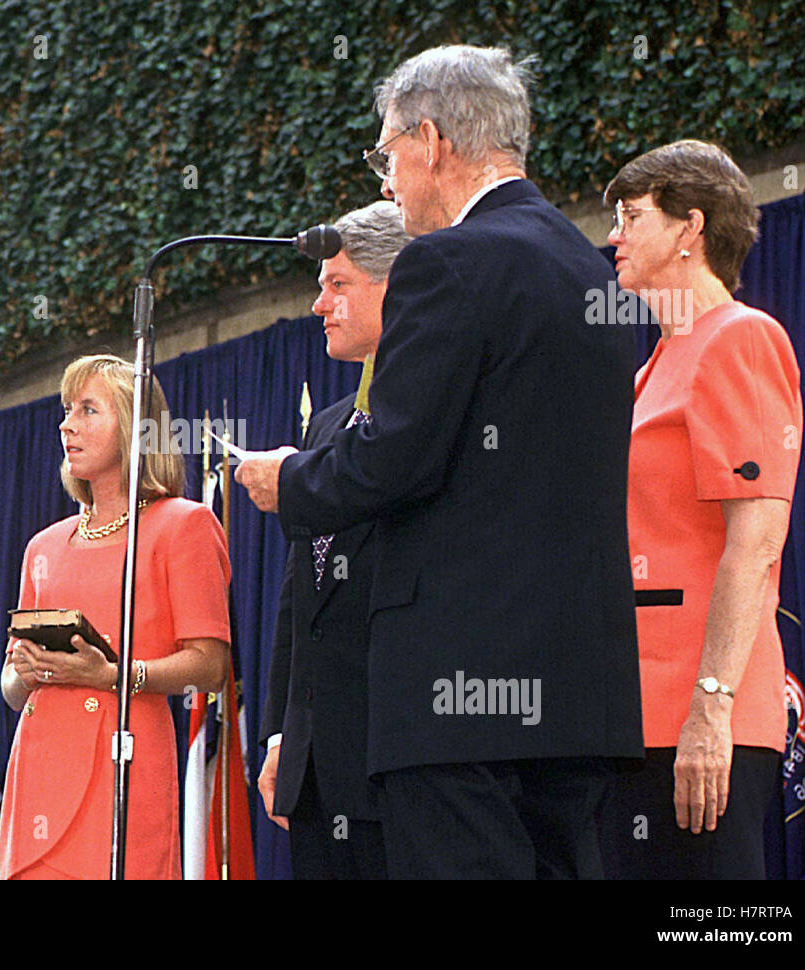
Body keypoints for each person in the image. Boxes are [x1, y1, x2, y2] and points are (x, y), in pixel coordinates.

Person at [236, 44, 644, 878]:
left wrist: (290, 481)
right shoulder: (588, 268)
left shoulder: (447, 260)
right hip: (579, 691)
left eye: (386, 153)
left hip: (457, 699)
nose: (386, 178)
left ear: (430, 140)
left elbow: (394, 457)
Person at [597, 140, 801, 879]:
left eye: (630, 216)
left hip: (703, 717)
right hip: (638, 717)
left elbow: (757, 538)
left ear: (690, 228)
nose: (613, 236)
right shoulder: (653, 361)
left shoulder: (741, 338)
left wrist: (711, 708)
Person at [0, 354, 231, 879]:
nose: (66, 424)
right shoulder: (43, 545)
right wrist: (24, 672)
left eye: (88, 410)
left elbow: (210, 666)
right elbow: (11, 686)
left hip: (124, 764)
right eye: (65, 410)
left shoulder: (183, 525)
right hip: (38, 768)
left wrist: (112, 676)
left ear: (136, 428)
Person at [258, 201, 410, 879]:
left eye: (338, 284)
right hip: (314, 770)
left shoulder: (428, 422)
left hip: (397, 760)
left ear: (397, 286)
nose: (319, 305)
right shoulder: (325, 427)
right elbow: (299, 604)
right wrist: (281, 735)